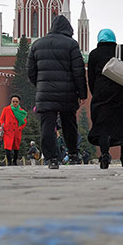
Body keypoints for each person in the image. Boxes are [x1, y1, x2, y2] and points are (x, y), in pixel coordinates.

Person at [27, 15, 87, 169]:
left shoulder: (37, 44)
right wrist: (82, 94)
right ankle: (73, 154)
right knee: (69, 125)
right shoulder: (71, 44)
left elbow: (30, 71)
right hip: (67, 94)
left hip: (45, 93)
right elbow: (78, 72)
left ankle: (51, 159)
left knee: (47, 125)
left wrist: (40, 85)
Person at [86, 29, 123, 170]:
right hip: (122, 94)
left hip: (102, 94)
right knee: (122, 123)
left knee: (103, 126)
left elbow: (91, 78)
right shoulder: (121, 50)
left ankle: (105, 155)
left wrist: (96, 94)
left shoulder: (94, 54)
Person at [0, 94, 27, 166]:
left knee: (16, 147)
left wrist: (20, 128)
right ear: (11, 102)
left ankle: (14, 161)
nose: (15, 103)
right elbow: (2, 119)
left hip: (17, 131)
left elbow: (24, 121)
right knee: (7, 146)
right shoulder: (6, 109)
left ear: (19, 102)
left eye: (16, 102)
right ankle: (9, 162)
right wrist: (3, 126)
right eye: (13, 101)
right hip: (8, 131)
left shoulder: (21, 111)